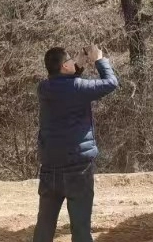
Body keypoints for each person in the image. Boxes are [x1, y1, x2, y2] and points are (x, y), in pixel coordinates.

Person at [33, 43, 119, 242]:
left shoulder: (43, 88)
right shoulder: (79, 88)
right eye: (71, 60)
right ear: (64, 66)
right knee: (81, 228)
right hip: (77, 169)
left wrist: (79, 62)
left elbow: (66, 82)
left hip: (50, 167)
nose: (74, 62)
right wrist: (99, 60)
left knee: (44, 225)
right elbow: (111, 83)